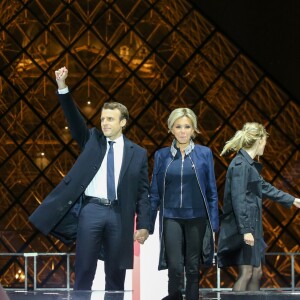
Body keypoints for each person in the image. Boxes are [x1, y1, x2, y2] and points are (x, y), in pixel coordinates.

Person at [29, 67, 150, 292]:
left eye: (110, 119)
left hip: (119, 214)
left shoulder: (138, 153)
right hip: (91, 210)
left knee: (116, 274)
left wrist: (144, 225)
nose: (104, 123)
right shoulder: (92, 139)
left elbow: (143, 193)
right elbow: (73, 119)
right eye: (103, 118)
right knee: (84, 269)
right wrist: (62, 87)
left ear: (123, 122)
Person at [217, 122, 300, 292]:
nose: (265, 146)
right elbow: (238, 199)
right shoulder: (241, 165)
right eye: (265, 142)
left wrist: (293, 200)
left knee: (256, 272)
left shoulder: (248, 166)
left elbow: (266, 188)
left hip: (251, 226)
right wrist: (246, 230)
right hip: (245, 226)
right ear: (259, 140)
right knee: (247, 272)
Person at [149, 108, 219, 300]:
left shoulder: (204, 153)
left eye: (187, 127)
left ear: (193, 129)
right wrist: (146, 225)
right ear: (171, 128)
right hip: (171, 217)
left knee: (193, 268)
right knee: (174, 267)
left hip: (197, 218)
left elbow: (212, 192)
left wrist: (213, 225)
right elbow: (154, 191)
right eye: (178, 126)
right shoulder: (161, 155)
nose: (182, 131)